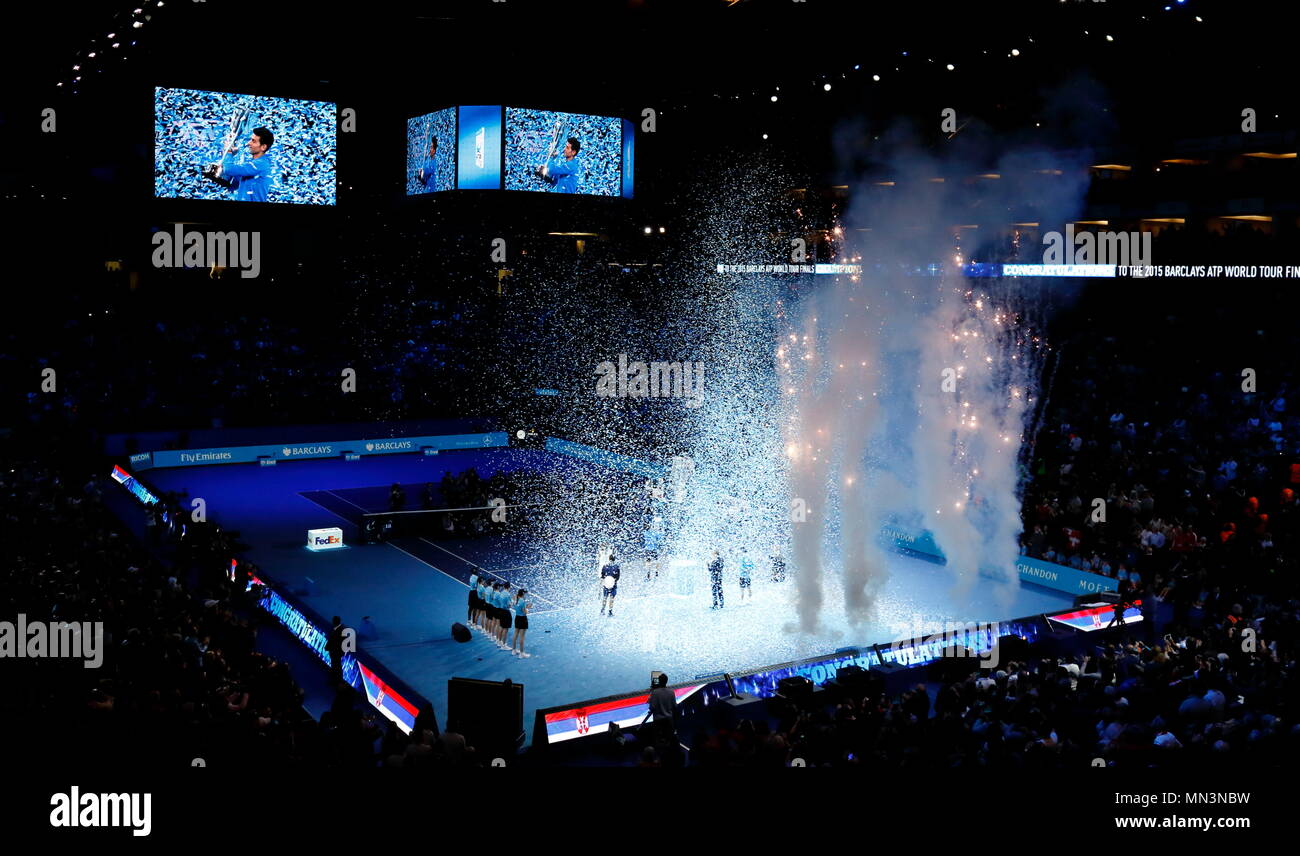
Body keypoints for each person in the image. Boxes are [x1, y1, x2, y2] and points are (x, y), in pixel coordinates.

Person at [217, 127, 276, 203]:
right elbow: (232, 185)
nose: (248, 143)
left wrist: (228, 151)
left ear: (263, 147)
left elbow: (228, 169)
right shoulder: (251, 165)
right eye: (250, 139)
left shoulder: (261, 164)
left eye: (253, 141)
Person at [326, 616, 346, 684]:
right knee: (335, 666)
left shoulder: (341, 630)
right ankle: (334, 680)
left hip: (336, 652)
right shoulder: (336, 629)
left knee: (337, 667)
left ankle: (337, 681)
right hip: (334, 652)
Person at [512, 588, 531, 658]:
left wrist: (526, 607)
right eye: (525, 593)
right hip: (522, 619)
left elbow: (518, 607)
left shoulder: (515, 599)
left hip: (517, 618)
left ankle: (513, 650)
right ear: (523, 594)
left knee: (515, 634)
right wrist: (528, 609)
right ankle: (521, 653)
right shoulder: (522, 601)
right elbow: (524, 611)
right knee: (522, 637)